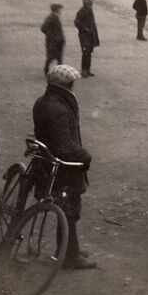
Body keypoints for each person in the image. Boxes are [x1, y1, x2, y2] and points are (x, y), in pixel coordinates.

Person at [32, 65, 96, 270]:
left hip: (49, 164)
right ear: (66, 85)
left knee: (68, 208)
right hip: (62, 169)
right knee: (69, 209)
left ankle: (69, 247)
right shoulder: (59, 108)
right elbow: (64, 146)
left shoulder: (45, 101)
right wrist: (85, 156)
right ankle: (70, 256)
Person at [74, 0, 100, 77]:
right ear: (89, 2)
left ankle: (87, 69)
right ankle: (84, 70)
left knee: (89, 52)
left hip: (90, 35)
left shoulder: (89, 9)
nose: (93, 3)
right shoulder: (82, 11)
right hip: (84, 35)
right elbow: (77, 22)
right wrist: (85, 29)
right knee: (86, 52)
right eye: (92, 1)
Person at [41, 4, 65, 75]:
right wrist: (52, 36)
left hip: (58, 41)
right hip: (53, 41)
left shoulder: (55, 17)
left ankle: (58, 72)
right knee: (51, 57)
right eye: (60, 9)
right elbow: (43, 28)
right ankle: (47, 69)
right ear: (57, 10)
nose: (61, 11)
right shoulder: (51, 17)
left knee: (58, 57)